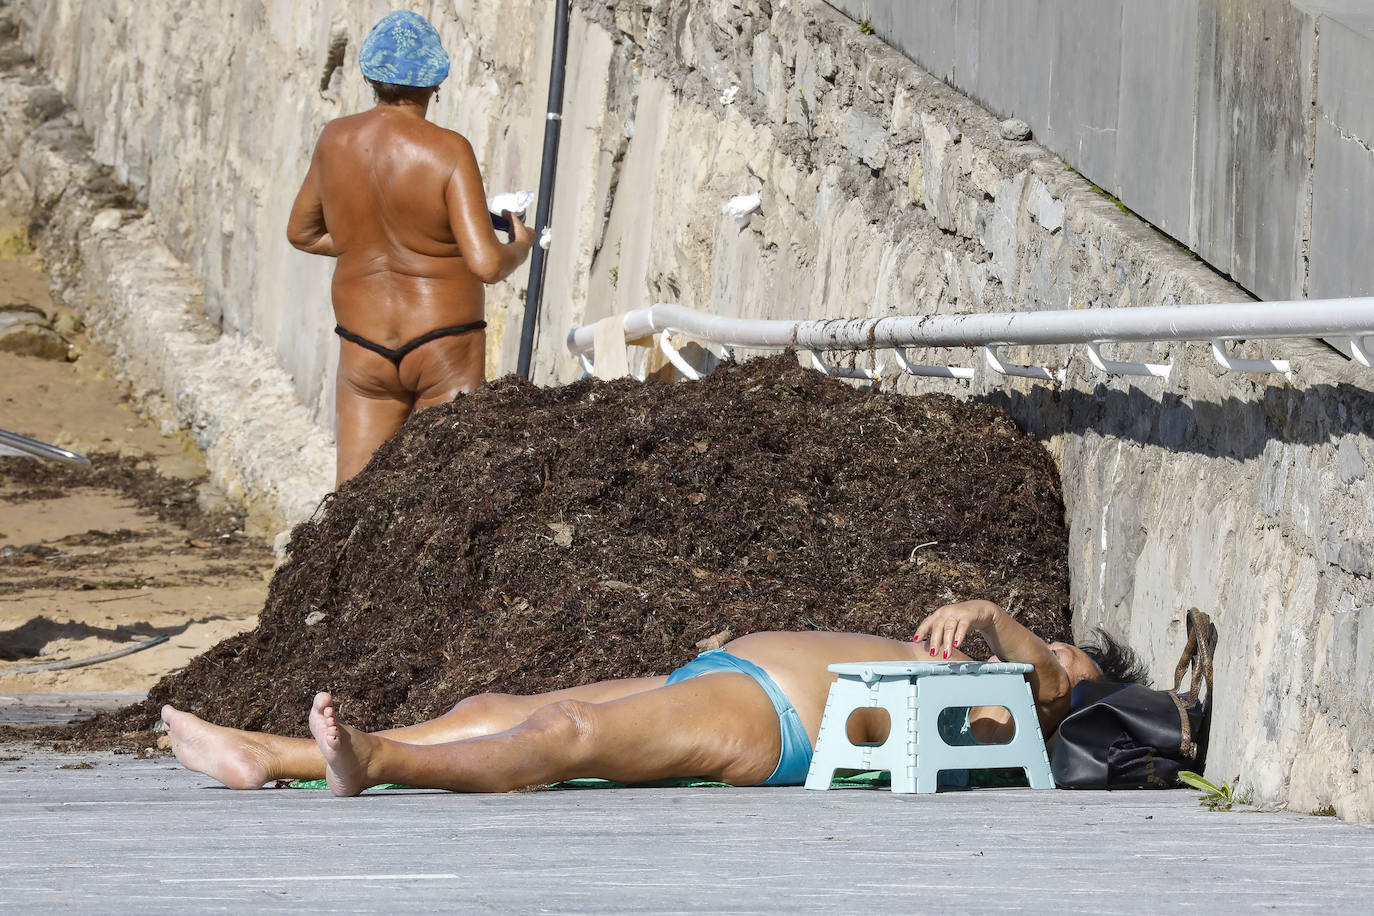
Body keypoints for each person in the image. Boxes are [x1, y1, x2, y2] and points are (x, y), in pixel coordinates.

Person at [162, 600, 1148, 796]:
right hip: (732, 680)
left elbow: (1048, 674)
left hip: (775, 719)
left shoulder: (1034, 693)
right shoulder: (992, 691)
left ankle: (374, 761)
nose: (1060, 652)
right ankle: (269, 754)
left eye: (1070, 656)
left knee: (567, 733)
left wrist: (996, 617)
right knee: (494, 702)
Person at [286, 11, 534, 485]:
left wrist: (364, 243)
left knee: (352, 504)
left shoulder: (335, 139)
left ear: (369, 77)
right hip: (443, 341)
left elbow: (302, 232)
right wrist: (518, 247)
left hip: (363, 346)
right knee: (442, 501)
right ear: (435, 84)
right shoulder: (448, 150)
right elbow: (483, 262)